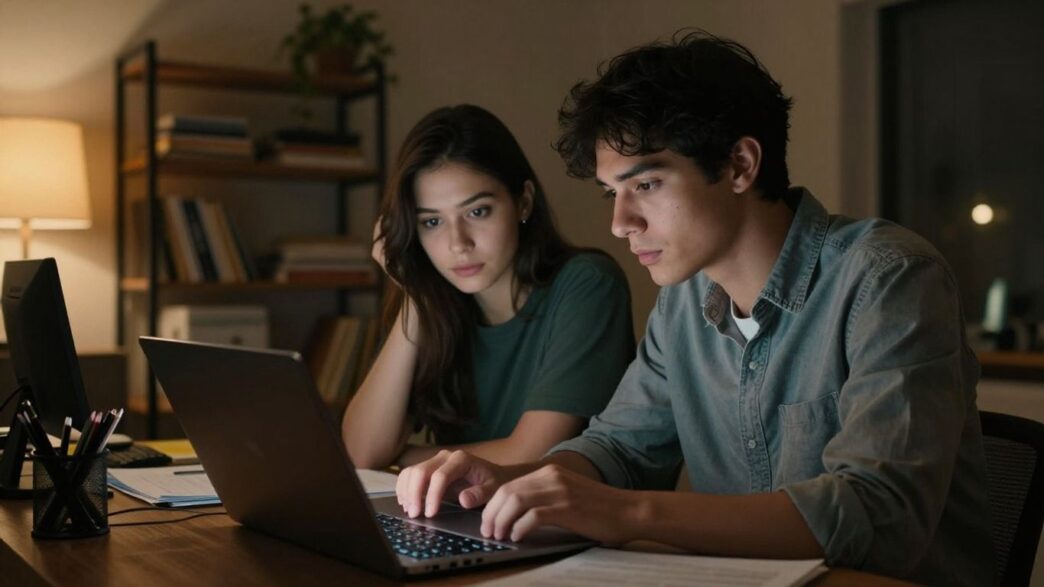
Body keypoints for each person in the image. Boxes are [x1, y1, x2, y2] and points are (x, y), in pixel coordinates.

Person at [393, 32, 995, 586]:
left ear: (739, 164)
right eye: (613, 193)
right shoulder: (683, 302)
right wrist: (510, 482)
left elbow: (876, 516)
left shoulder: (887, 278)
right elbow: (620, 449)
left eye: (646, 185)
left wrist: (631, 512)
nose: (620, 222)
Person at [342, 104, 635, 470]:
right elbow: (361, 454)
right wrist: (414, 297)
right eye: (432, 222)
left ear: (523, 201)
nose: (457, 244)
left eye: (477, 212)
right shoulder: (437, 306)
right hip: (464, 519)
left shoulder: (587, 284)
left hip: (563, 524)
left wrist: (403, 460)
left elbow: (534, 456)